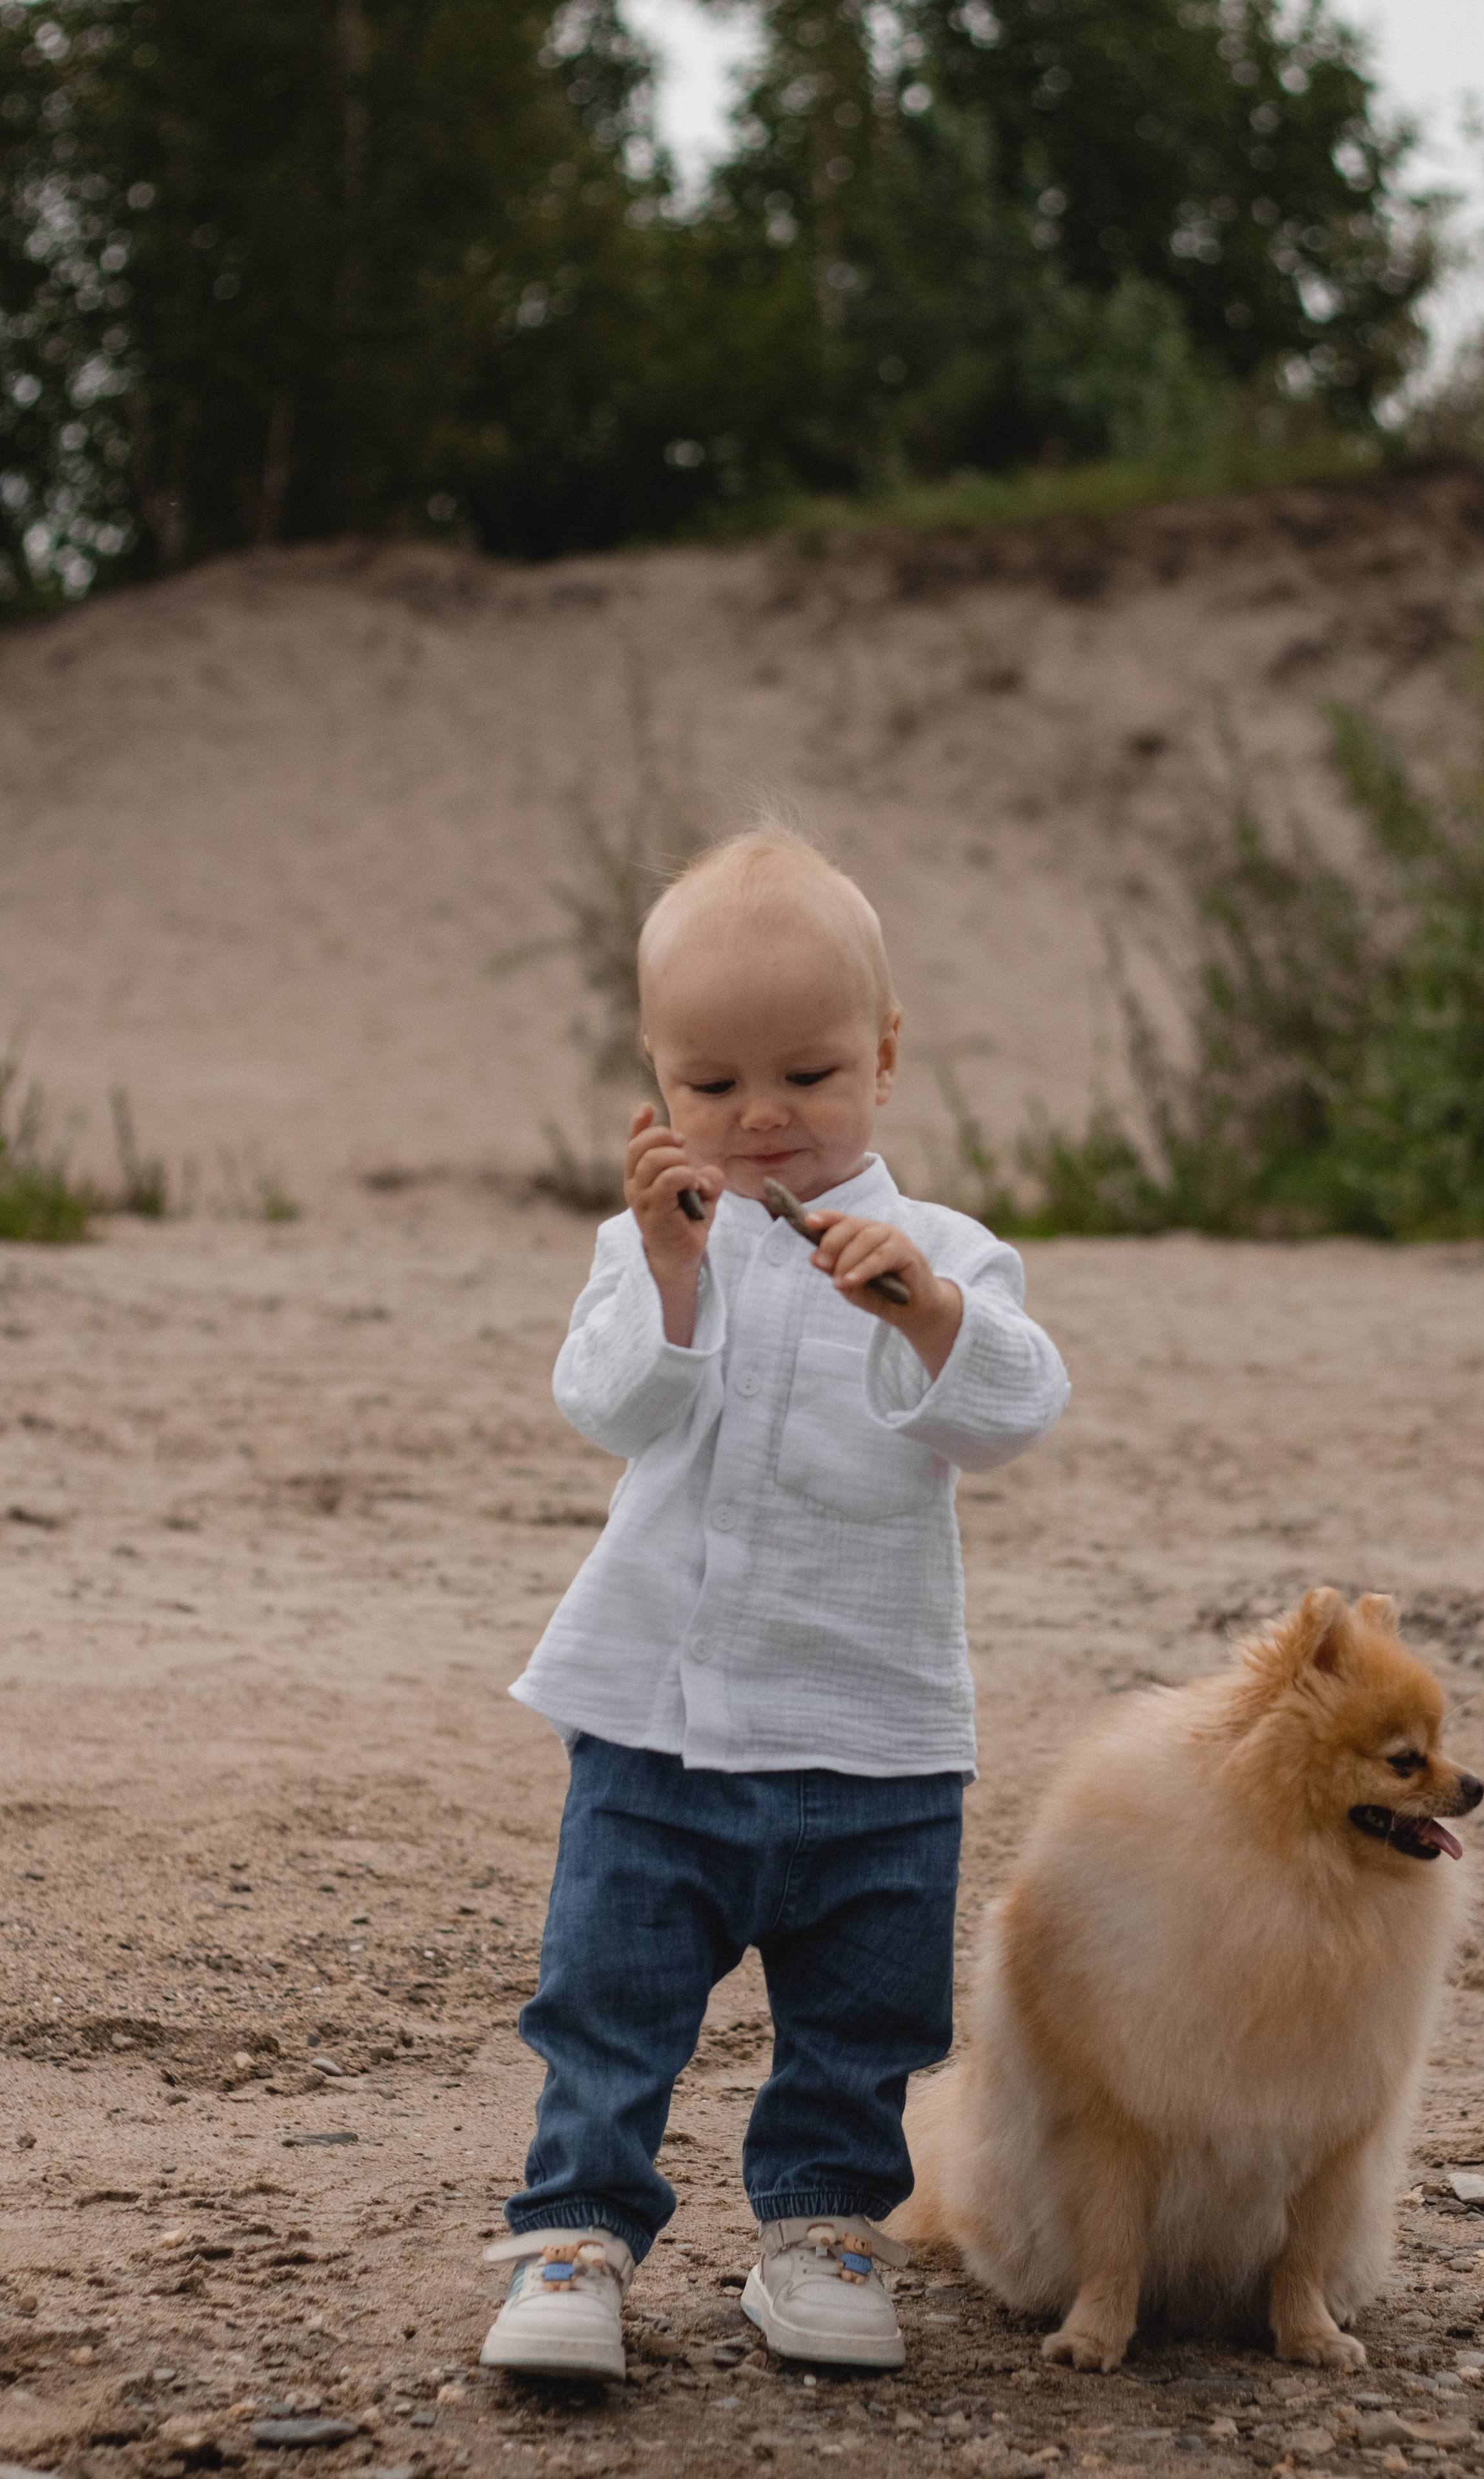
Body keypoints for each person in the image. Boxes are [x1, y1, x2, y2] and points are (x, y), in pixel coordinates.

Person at [479, 825, 1070, 2379]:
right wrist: (674, 1280)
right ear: (656, 1088)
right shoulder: (646, 1244)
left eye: (806, 1078)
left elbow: (1009, 1413)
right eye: (712, 1084)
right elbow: (607, 1408)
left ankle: (821, 2226)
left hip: (870, 1730)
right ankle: (571, 2239)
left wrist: (927, 1313)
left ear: (881, 1059)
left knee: (863, 2017)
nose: (760, 1119)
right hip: (651, 1723)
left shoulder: (941, 1251)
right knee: (606, 2004)